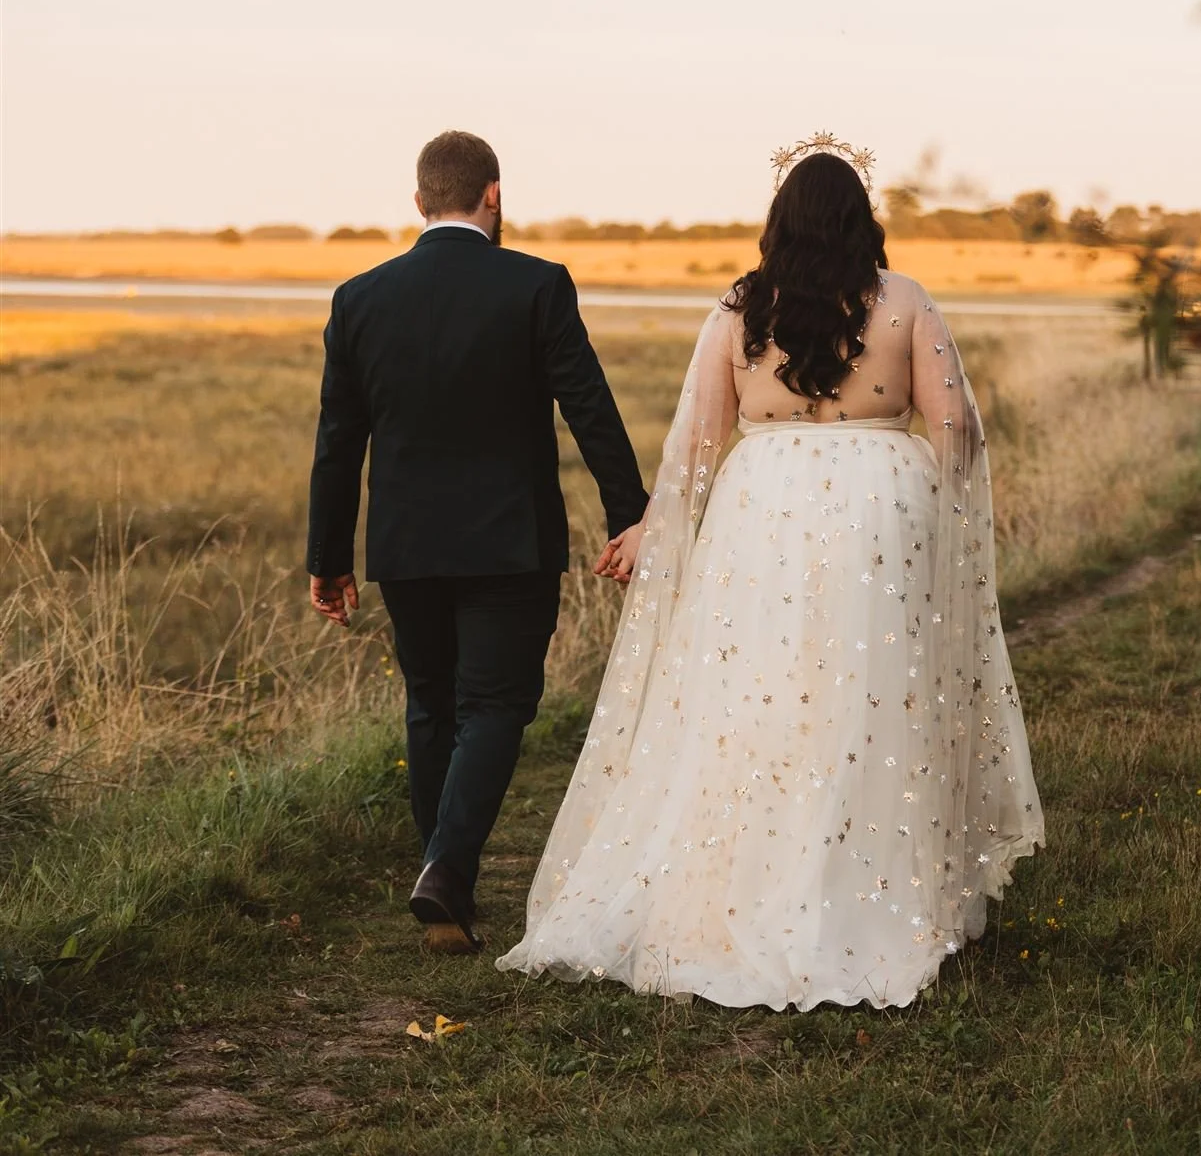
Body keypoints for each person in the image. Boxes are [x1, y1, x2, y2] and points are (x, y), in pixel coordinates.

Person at [497, 133, 1043, 1010]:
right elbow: (958, 432)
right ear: (862, 221)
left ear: (780, 224)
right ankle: (864, 885)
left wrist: (652, 529)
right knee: (869, 695)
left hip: (761, 516)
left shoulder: (740, 311)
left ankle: (742, 885)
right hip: (879, 515)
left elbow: (699, 452)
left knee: (756, 697)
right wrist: (937, 511)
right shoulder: (903, 302)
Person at [306, 130, 648, 954]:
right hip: (510, 541)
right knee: (495, 704)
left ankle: (445, 885)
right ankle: (447, 871)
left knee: (431, 703)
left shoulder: (359, 298)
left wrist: (329, 558)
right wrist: (629, 512)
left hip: (405, 545)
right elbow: (588, 406)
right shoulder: (535, 284)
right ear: (492, 195)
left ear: (419, 199)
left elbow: (337, 440)